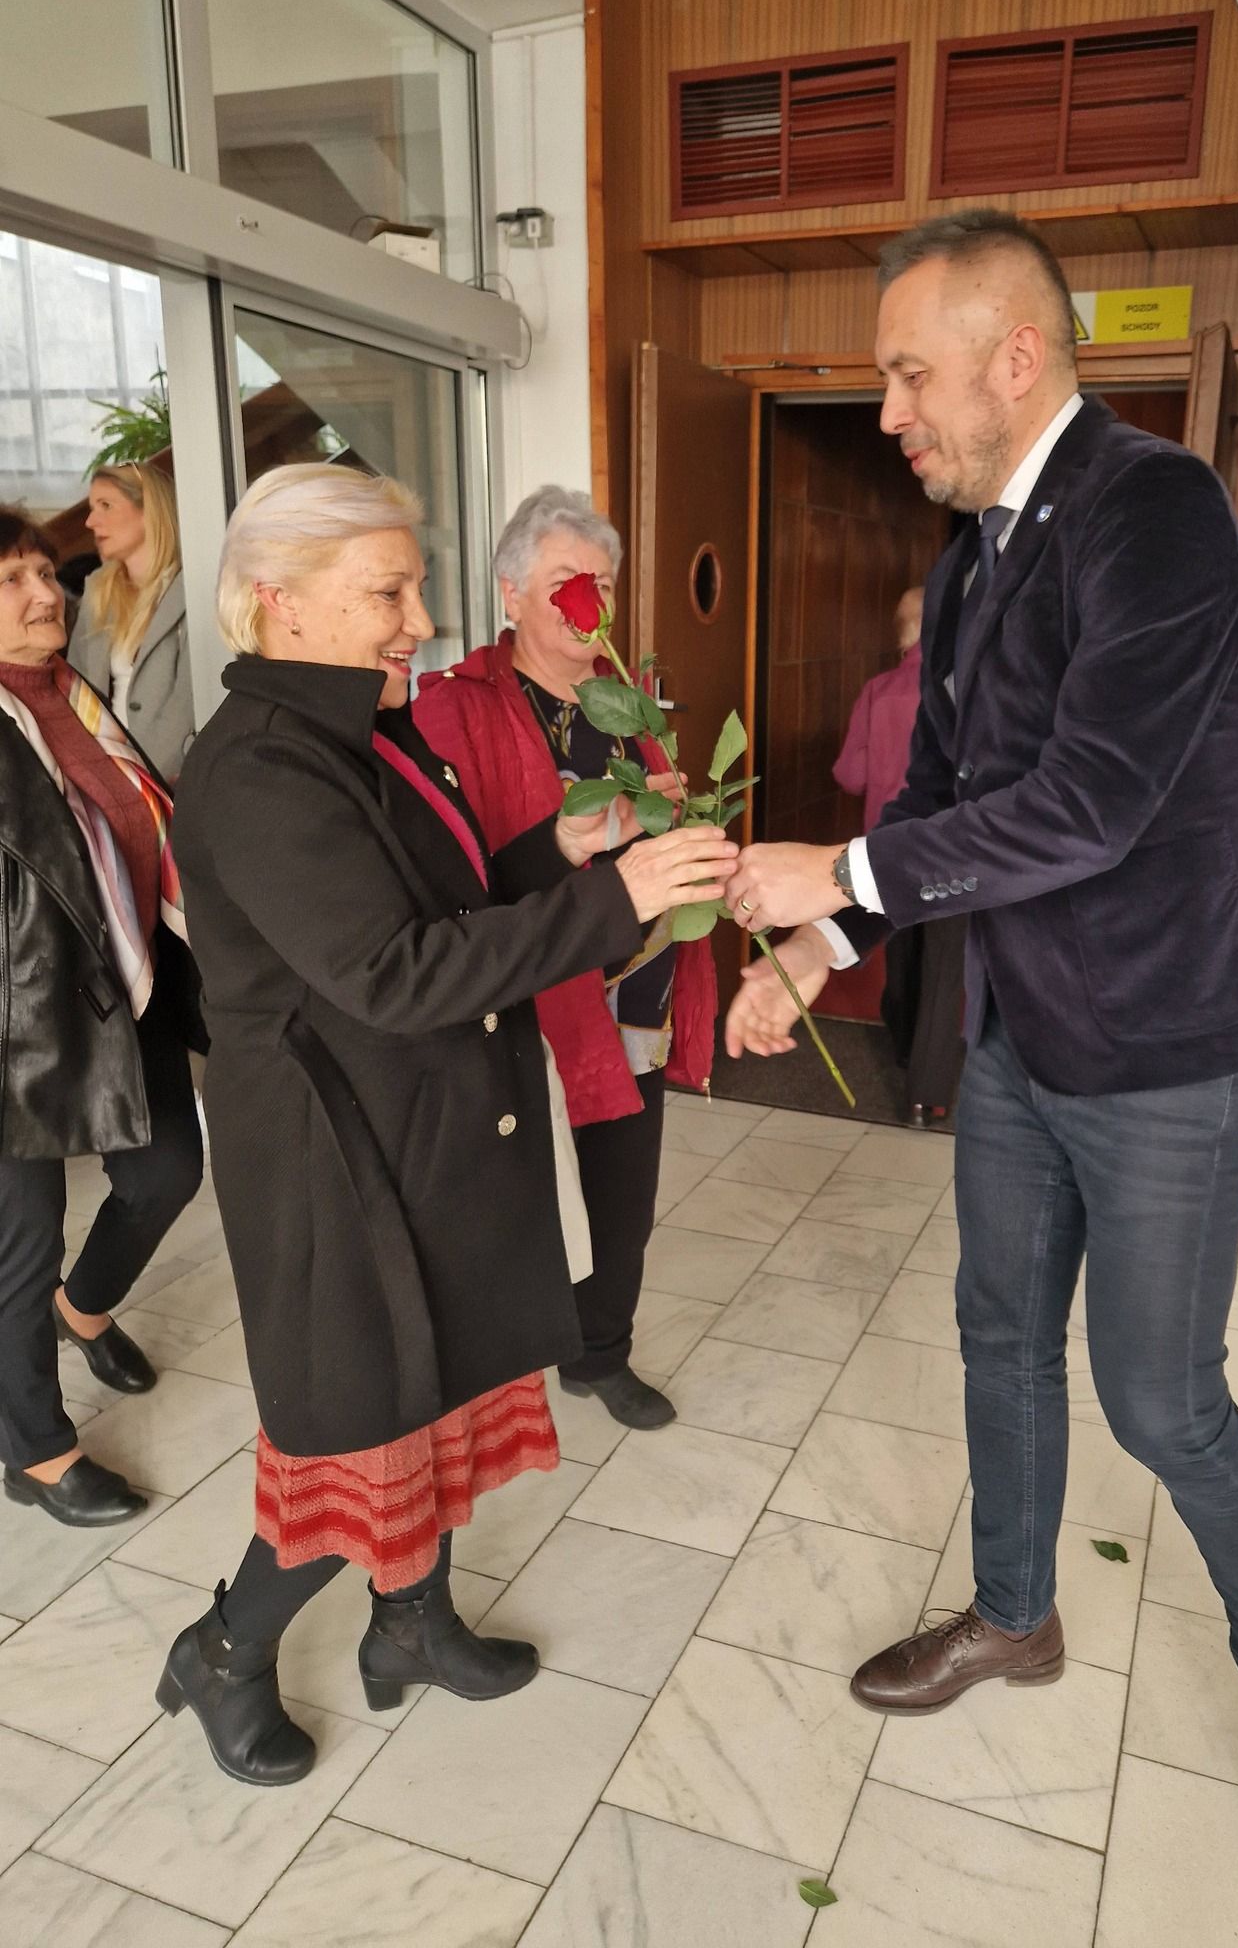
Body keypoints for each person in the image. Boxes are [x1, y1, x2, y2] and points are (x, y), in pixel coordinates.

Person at [722, 211, 1238, 1880]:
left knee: (1161, 1397)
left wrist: (837, 873)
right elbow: (942, 800)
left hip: (1170, 1043)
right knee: (998, 1331)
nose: (888, 412)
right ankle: (1016, 1614)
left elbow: (1088, 806)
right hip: (1015, 1032)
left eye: (907, 374)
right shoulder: (973, 562)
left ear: (1015, 357)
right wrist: (820, 946)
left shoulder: (1157, 510)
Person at [162, 463, 735, 1786]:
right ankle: (222, 1652)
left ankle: (410, 1625)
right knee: (355, 1426)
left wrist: (557, 858)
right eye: (389, 592)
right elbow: (392, 970)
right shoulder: (260, 766)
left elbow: (444, 903)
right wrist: (617, 901)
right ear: (279, 599)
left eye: (415, 587)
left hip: (414, 1126)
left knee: (435, 1392)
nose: (419, 620)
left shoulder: (365, 730)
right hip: (334, 1159)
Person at [416, 486, 715, 1431]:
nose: (590, 602)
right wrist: (568, 843)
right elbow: (453, 882)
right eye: (564, 582)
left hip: (634, 992)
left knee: (622, 1192)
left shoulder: (630, 703)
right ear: (510, 594)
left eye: (603, 584)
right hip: (527, 1000)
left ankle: (599, 1354)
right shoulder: (452, 709)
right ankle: (498, 1369)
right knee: (519, 1200)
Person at [0, 509, 203, 1528]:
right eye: (12, 581)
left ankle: (81, 1310)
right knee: (20, 1241)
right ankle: (35, 1450)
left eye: (46, 571)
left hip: (118, 984)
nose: (48, 593)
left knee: (166, 1172)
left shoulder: (72, 695)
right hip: (15, 1019)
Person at [833, 583, 964, 1126]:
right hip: (951, 850)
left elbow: (850, 775)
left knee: (902, 949)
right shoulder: (964, 690)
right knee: (944, 968)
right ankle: (925, 1095)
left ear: (903, 632)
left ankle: (906, 1049)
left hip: (887, 850)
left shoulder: (878, 690)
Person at [69, 460, 195, 782]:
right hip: (107, 776)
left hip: (174, 781)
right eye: (91, 508)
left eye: (106, 505)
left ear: (149, 510)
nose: (90, 521)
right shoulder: (98, 591)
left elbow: (191, 703)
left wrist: (144, 779)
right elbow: (78, 691)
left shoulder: (193, 590)